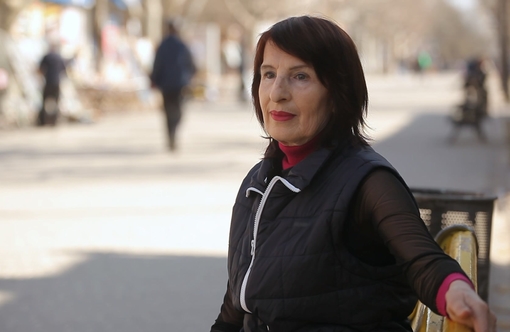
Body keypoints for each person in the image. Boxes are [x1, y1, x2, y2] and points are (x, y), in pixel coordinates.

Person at [210, 16, 496, 332]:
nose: (277, 92)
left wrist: (456, 291)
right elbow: (235, 307)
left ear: (338, 93)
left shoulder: (369, 181)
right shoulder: (256, 183)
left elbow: (422, 260)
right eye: (268, 74)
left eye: (300, 76)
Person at [150, 20, 196, 151]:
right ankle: (173, 134)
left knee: (168, 111)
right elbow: (191, 64)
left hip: (167, 84)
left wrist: (154, 80)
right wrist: (189, 77)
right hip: (179, 84)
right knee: (178, 110)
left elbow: (156, 64)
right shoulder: (182, 45)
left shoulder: (163, 46)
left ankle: (171, 134)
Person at [37, 41, 66, 126]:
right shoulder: (60, 57)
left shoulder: (47, 57)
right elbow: (63, 70)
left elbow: (40, 69)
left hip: (48, 82)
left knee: (44, 101)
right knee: (56, 102)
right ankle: (54, 121)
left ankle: (42, 121)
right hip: (56, 83)